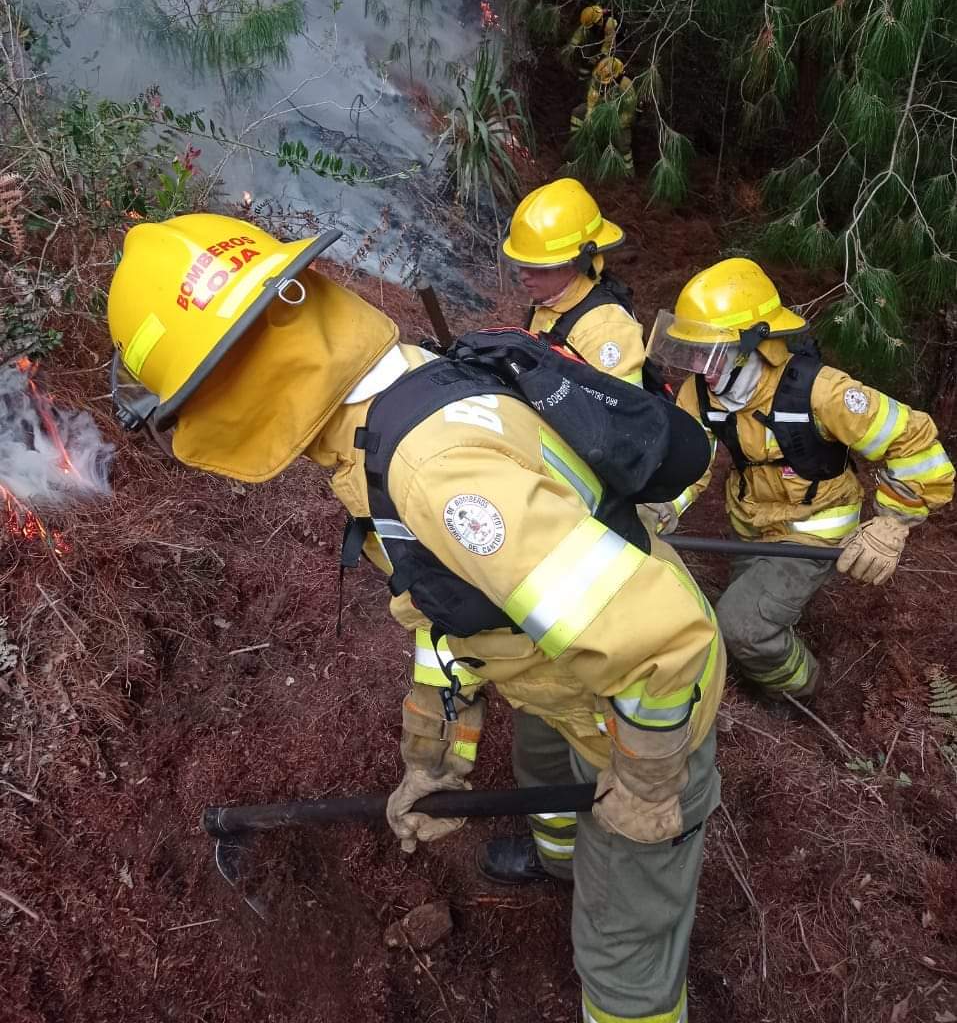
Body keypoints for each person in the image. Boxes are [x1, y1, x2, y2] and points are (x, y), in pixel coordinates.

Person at [108, 212, 726, 1023]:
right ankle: (562, 858)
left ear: (236, 383)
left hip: (640, 702)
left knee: (623, 960)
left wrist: (647, 784)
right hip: (562, 670)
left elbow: (660, 639)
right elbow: (450, 616)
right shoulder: (397, 405)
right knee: (549, 773)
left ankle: (625, 968)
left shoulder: (431, 469)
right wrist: (433, 758)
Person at [646, 257, 954, 704]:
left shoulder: (822, 392)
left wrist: (893, 523)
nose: (701, 368)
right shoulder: (700, 392)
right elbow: (688, 460)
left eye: (712, 353)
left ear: (756, 343)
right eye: (693, 353)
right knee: (747, 612)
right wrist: (659, 505)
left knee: (741, 628)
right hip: (750, 527)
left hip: (813, 531)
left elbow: (916, 443)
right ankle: (765, 656)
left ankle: (806, 691)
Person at [502, 178, 648, 385]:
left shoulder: (606, 330)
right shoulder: (553, 299)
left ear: (578, 263)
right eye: (522, 264)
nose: (524, 275)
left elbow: (624, 413)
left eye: (538, 268)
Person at [566, 56, 637, 175]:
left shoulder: (626, 86)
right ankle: (576, 146)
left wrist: (613, 124)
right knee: (578, 112)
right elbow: (592, 97)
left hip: (619, 119)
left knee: (622, 142)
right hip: (600, 111)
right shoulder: (598, 77)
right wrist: (590, 116)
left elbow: (628, 113)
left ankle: (628, 173)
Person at [561, 4, 618, 80]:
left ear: (598, 21)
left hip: (615, 43)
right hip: (600, 37)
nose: (590, 28)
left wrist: (599, 56)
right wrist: (573, 44)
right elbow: (581, 31)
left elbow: (608, 43)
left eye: (591, 26)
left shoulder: (610, 23)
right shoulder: (593, 16)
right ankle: (584, 69)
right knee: (587, 49)